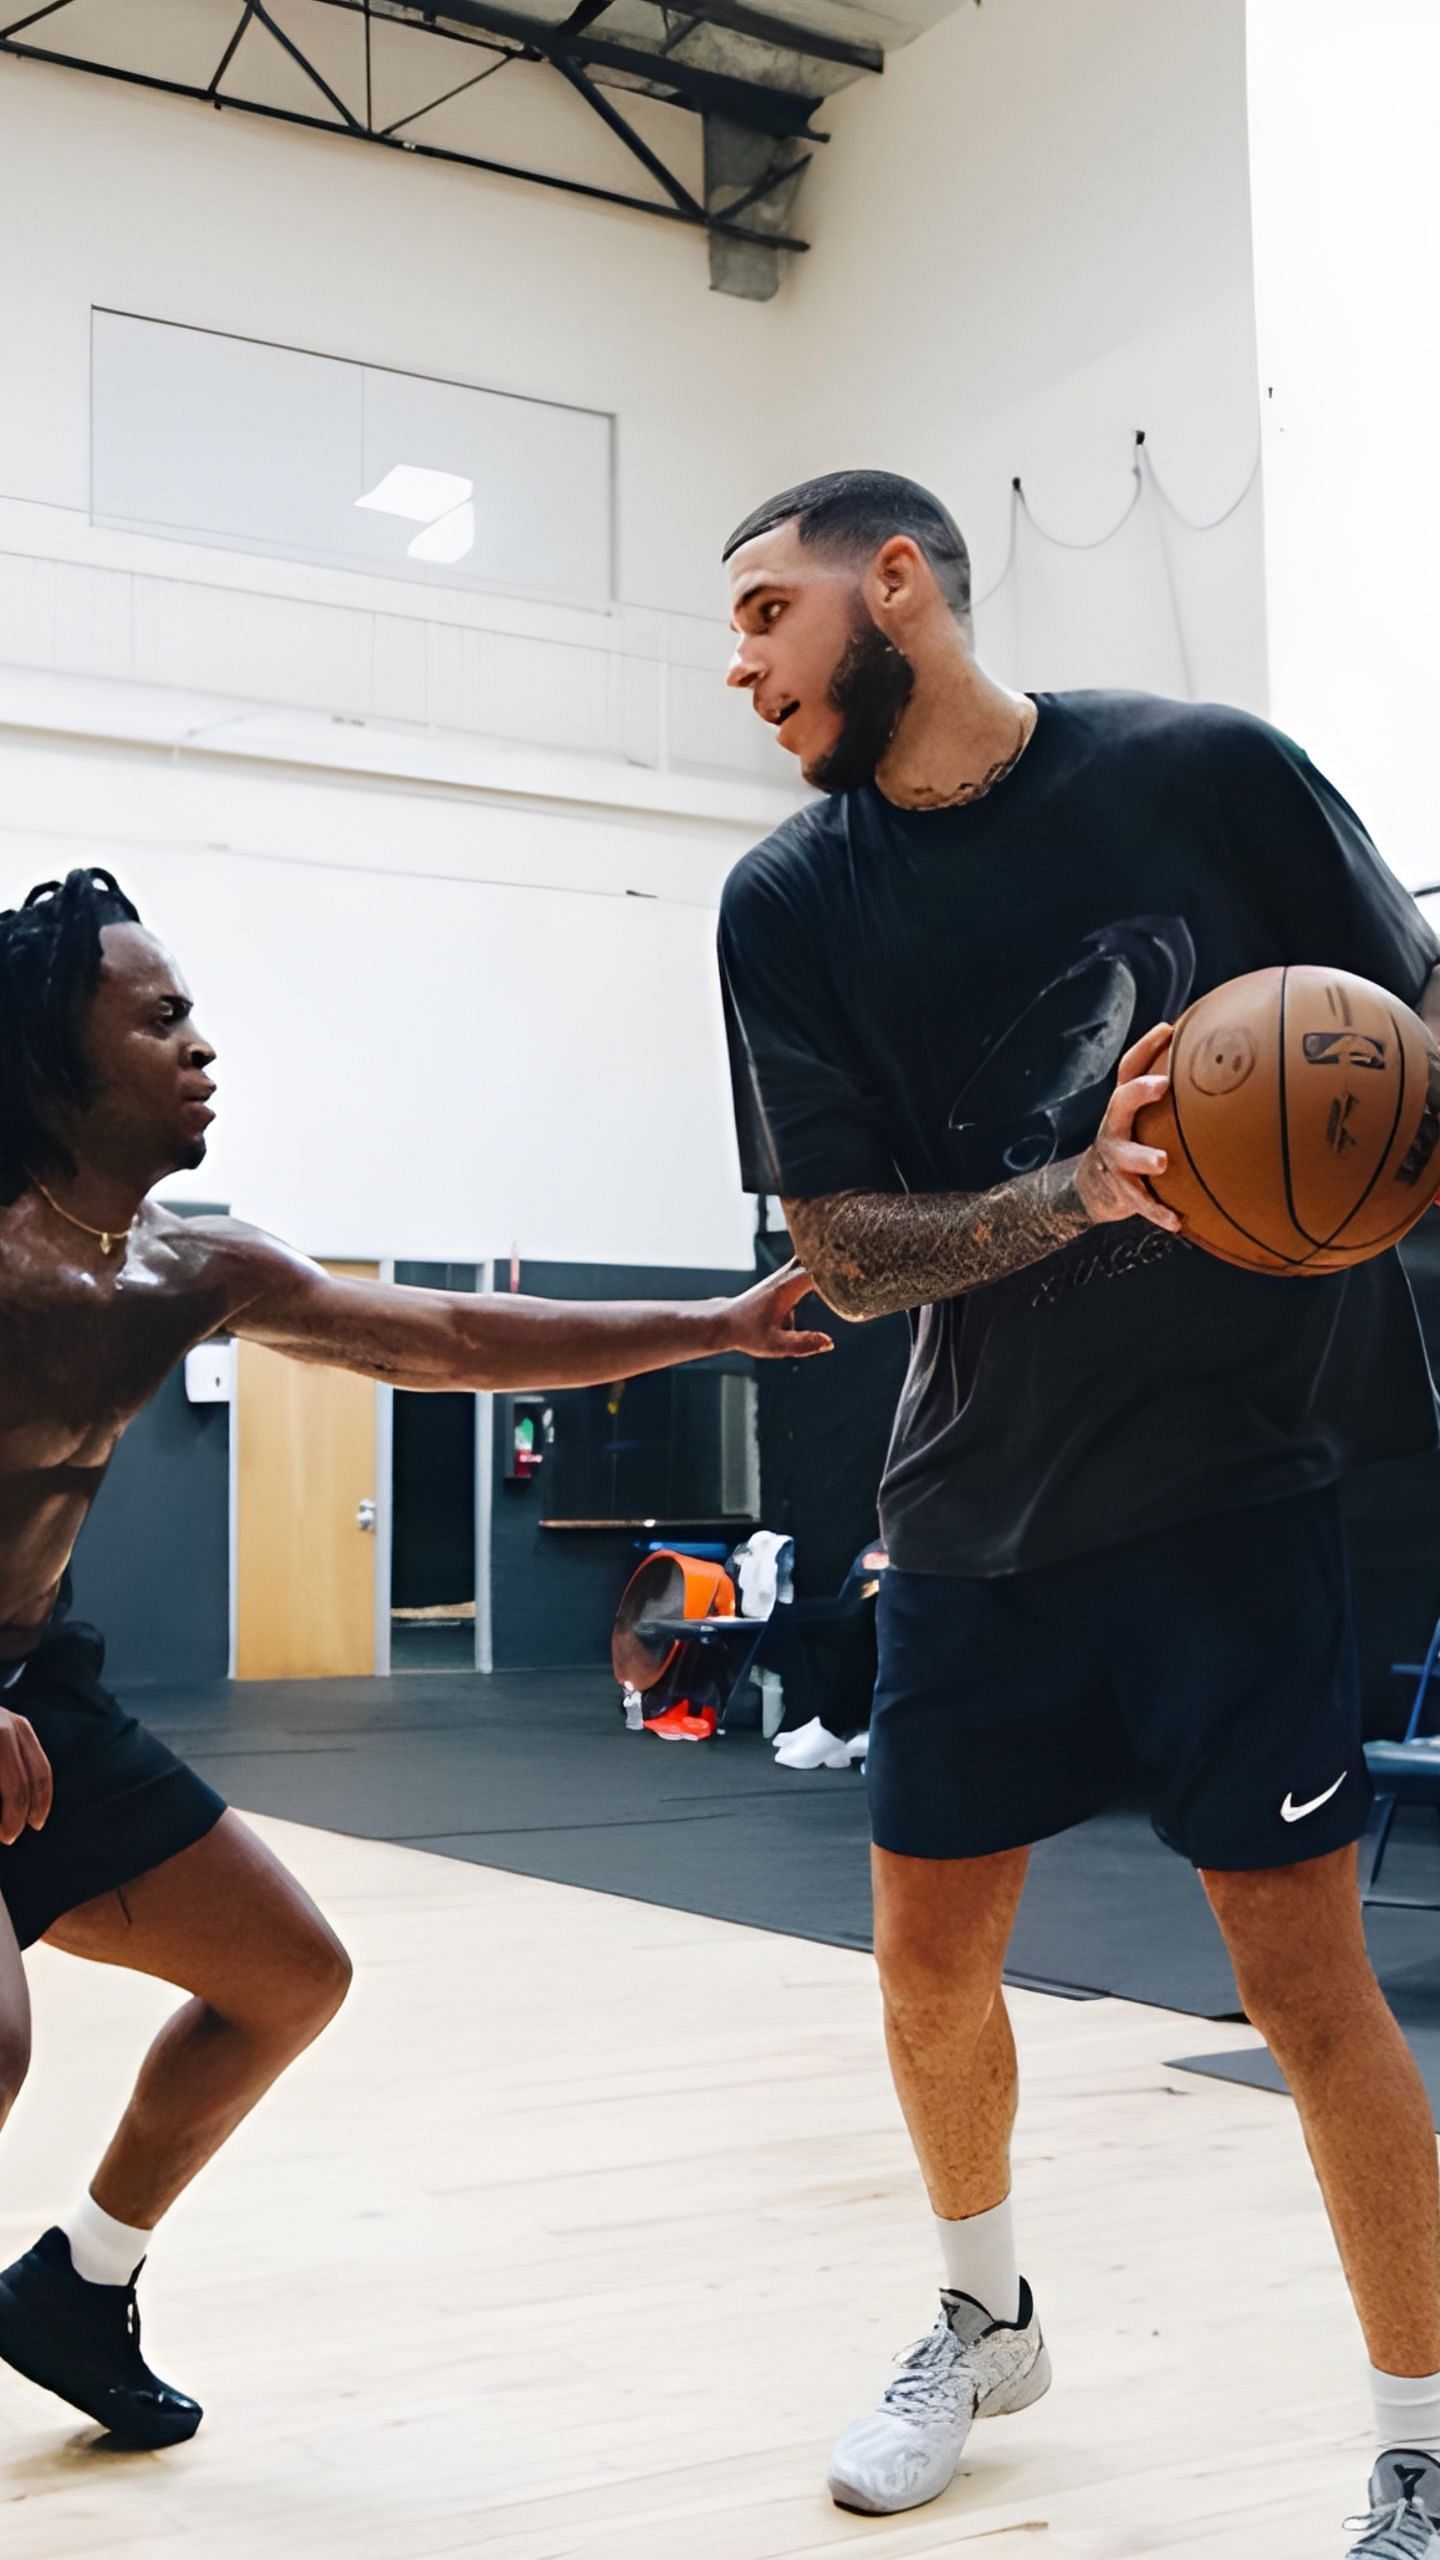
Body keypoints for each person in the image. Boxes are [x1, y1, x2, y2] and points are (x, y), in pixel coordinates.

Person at [716, 468, 1440, 2559]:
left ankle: (1413, 2433)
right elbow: (845, 1250)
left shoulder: (1211, 778)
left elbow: (1405, 1035)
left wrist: (1358, 1162)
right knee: (930, 1970)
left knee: (1306, 1984)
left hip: (1235, 1489)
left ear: (902, 584)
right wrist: (1082, 1188)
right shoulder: (792, 899)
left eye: (771, 611)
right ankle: (984, 2313)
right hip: (974, 1509)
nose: (745, 665)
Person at [0, 866, 829, 2450]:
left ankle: (77, 2287)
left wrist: (718, 1323)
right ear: (51, 1053)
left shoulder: (188, 1269)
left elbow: (448, 1340)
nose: (203, 1046)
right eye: (161, 1017)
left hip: (39, 1693)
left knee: (287, 1977)